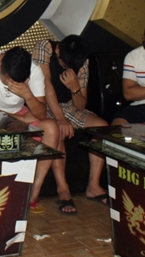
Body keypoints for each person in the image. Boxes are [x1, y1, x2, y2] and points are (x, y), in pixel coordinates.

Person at [0, 47, 60, 215]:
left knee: (51, 128)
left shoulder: (34, 69)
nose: (12, 86)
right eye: (8, 82)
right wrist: (21, 119)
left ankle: (34, 193)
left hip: (19, 113)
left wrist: (28, 95)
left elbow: (41, 113)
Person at [32, 35, 108, 214]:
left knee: (103, 129)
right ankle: (63, 189)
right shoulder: (45, 47)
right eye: (64, 64)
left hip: (68, 107)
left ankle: (93, 186)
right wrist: (60, 118)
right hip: (43, 105)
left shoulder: (81, 61)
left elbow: (80, 105)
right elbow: (45, 85)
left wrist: (74, 88)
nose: (66, 68)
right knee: (56, 130)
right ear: (58, 50)